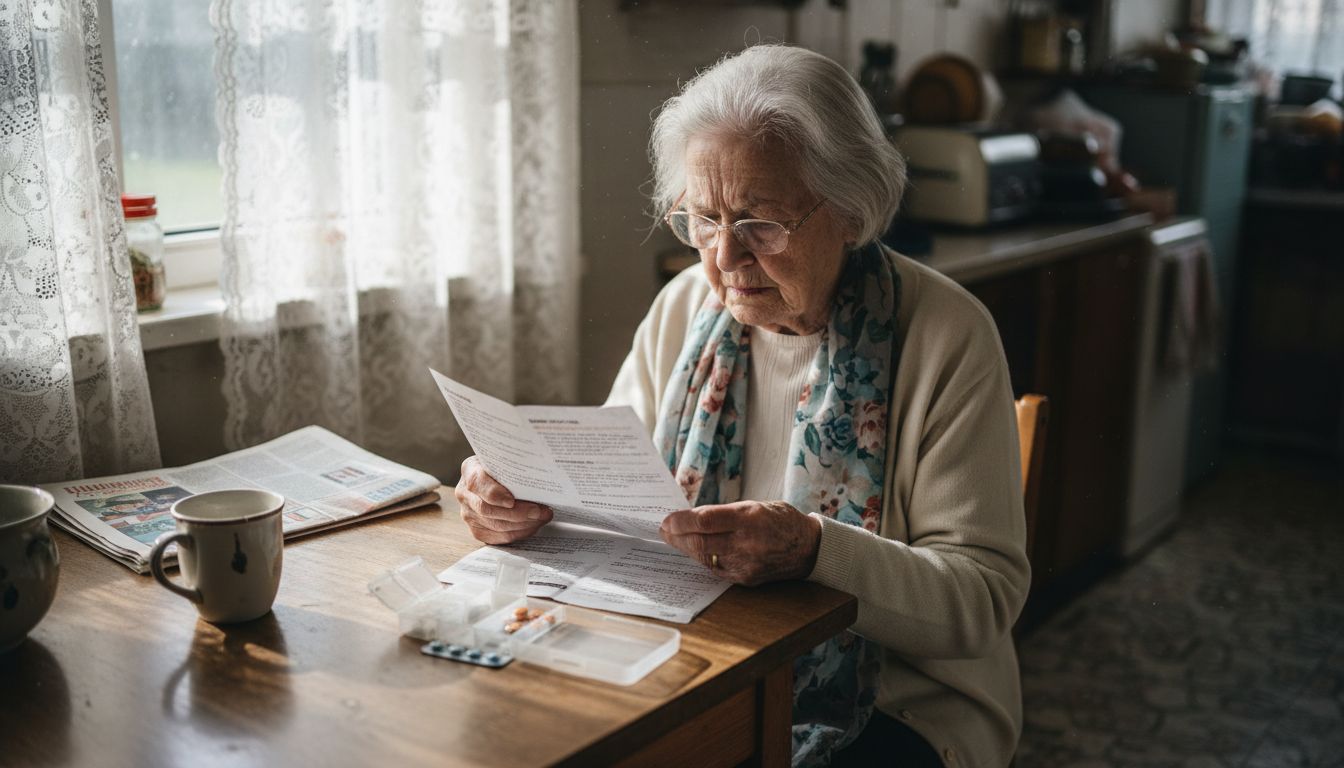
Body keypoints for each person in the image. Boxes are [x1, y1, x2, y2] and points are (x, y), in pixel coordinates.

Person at [454, 44, 1029, 767]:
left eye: (761, 223)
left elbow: (981, 602)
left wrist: (816, 551)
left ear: (851, 209)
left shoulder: (946, 335)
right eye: (703, 219)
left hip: (897, 700)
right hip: (700, 661)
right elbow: (600, 500)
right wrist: (515, 495)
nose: (724, 258)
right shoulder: (685, 308)